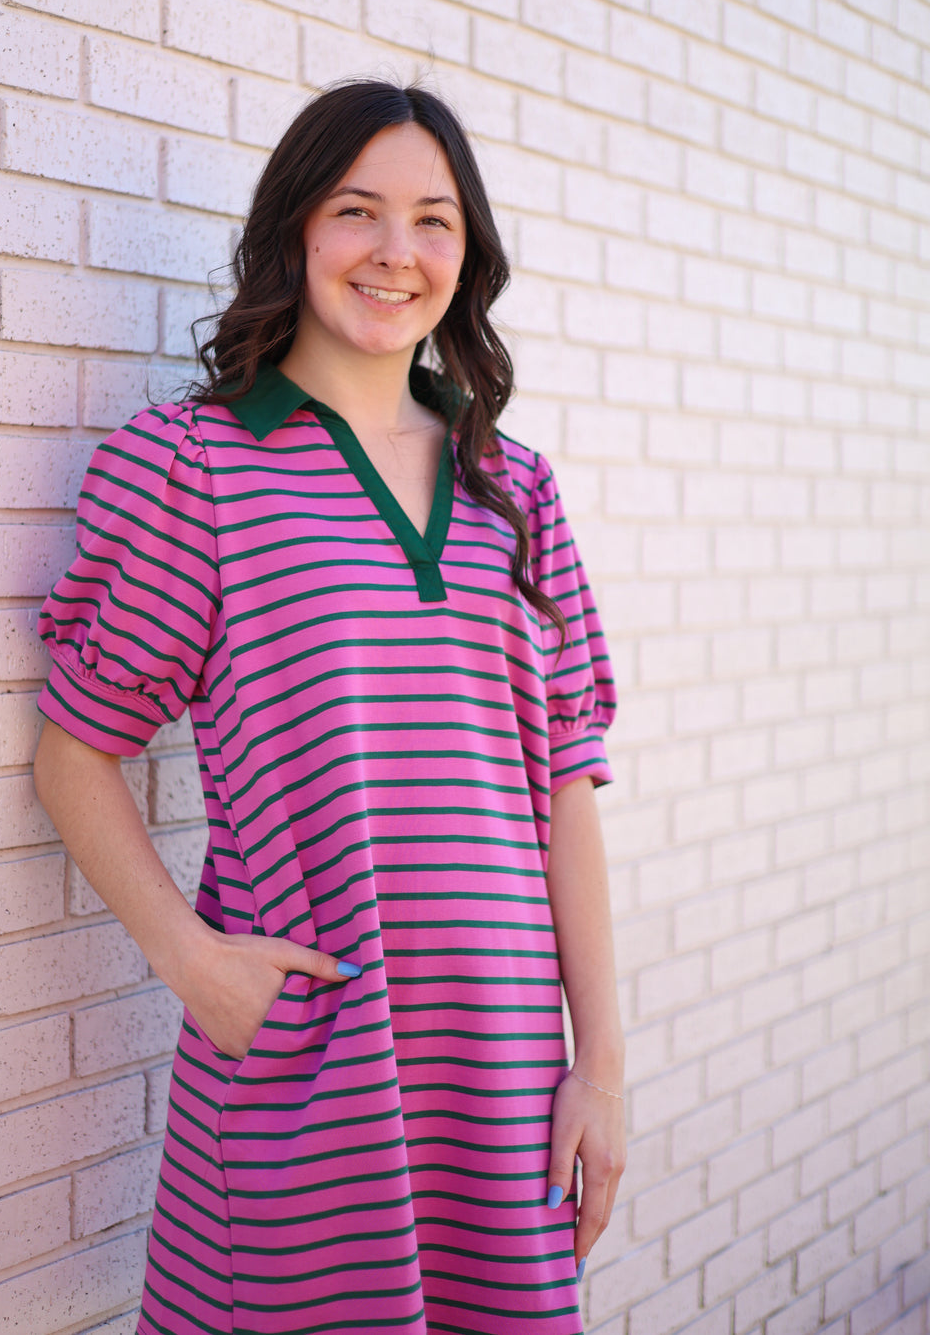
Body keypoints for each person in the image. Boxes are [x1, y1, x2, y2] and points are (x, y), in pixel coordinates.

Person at [33, 79, 625, 1335]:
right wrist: (190, 962)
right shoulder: (192, 464)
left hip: (502, 1072)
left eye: (434, 221)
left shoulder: (516, 489)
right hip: (310, 1061)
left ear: (466, 258)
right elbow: (75, 753)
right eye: (358, 211)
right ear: (298, 228)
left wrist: (602, 1068)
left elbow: (566, 786)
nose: (395, 253)